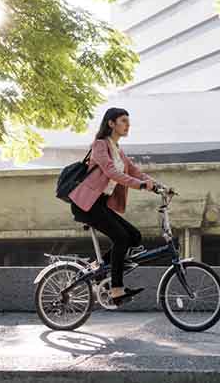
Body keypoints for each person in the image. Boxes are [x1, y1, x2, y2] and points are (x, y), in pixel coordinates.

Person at [68, 107, 157, 305]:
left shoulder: (118, 150)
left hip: (99, 205)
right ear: (111, 123)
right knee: (122, 238)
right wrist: (140, 185)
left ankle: (97, 267)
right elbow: (110, 171)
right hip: (86, 204)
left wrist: (158, 185)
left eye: (128, 121)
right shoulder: (100, 145)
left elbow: (134, 171)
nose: (128, 125)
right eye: (123, 120)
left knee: (134, 237)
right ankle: (116, 290)